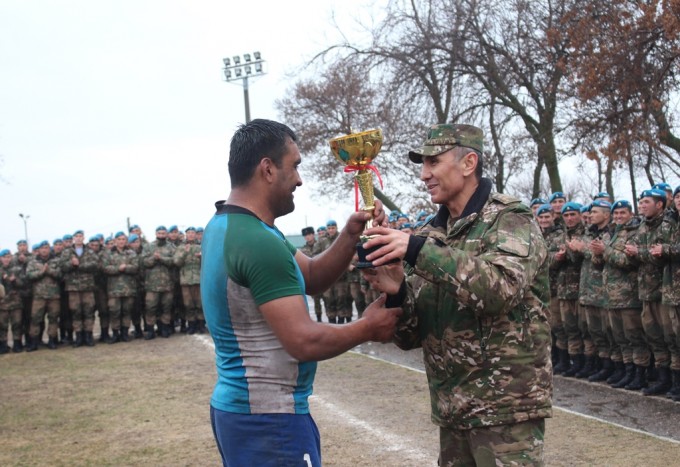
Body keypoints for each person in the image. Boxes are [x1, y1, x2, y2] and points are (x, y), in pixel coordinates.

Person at [200, 118, 401, 467]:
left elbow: (311, 276)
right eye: (294, 166)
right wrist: (367, 328)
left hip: (246, 411)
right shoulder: (257, 241)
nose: (299, 179)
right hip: (267, 417)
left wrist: (351, 233)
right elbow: (303, 341)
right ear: (267, 169)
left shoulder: (230, 226)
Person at [361, 123, 552, 466]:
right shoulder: (431, 233)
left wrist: (418, 251)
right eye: (422, 165)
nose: (424, 175)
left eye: (433, 162)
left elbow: (500, 291)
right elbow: (412, 336)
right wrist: (396, 292)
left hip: (504, 408)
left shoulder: (509, 219)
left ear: (468, 164)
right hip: (453, 409)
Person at [61, 230, 99, 347]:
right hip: (73, 287)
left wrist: (79, 265)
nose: (78, 238)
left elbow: (95, 265)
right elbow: (62, 266)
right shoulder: (67, 252)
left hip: (87, 287)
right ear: (73, 238)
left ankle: (88, 335)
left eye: (80, 236)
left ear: (83, 238)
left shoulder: (89, 251)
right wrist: (71, 264)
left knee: (88, 311)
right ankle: (78, 336)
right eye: (76, 236)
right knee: (76, 312)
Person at [102, 231, 139, 343]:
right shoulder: (108, 254)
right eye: (119, 239)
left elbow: (136, 267)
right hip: (114, 289)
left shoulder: (131, 253)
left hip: (128, 288)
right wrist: (118, 268)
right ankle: (115, 333)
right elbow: (105, 268)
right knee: (114, 311)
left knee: (127, 311)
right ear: (115, 241)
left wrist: (126, 267)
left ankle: (125, 332)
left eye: (123, 239)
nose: (121, 241)